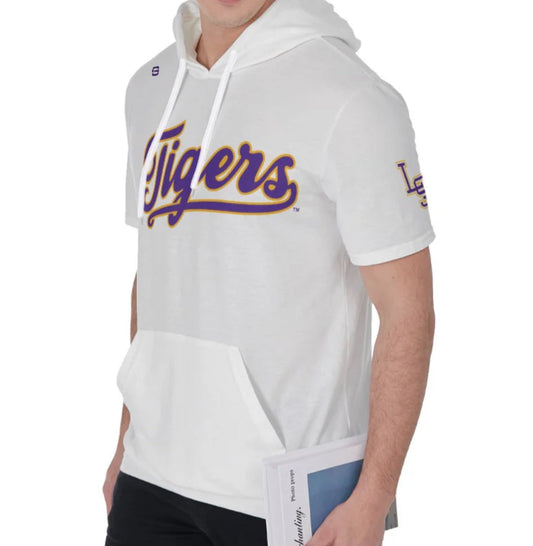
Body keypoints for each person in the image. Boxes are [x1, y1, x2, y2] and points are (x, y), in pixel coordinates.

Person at [103, 0, 436, 544]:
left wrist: (374, 497)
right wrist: (125, 441)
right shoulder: (149, 88)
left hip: (287, 496)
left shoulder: (351, 99)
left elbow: (408, 312)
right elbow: (157, 273)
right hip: (150, 477)